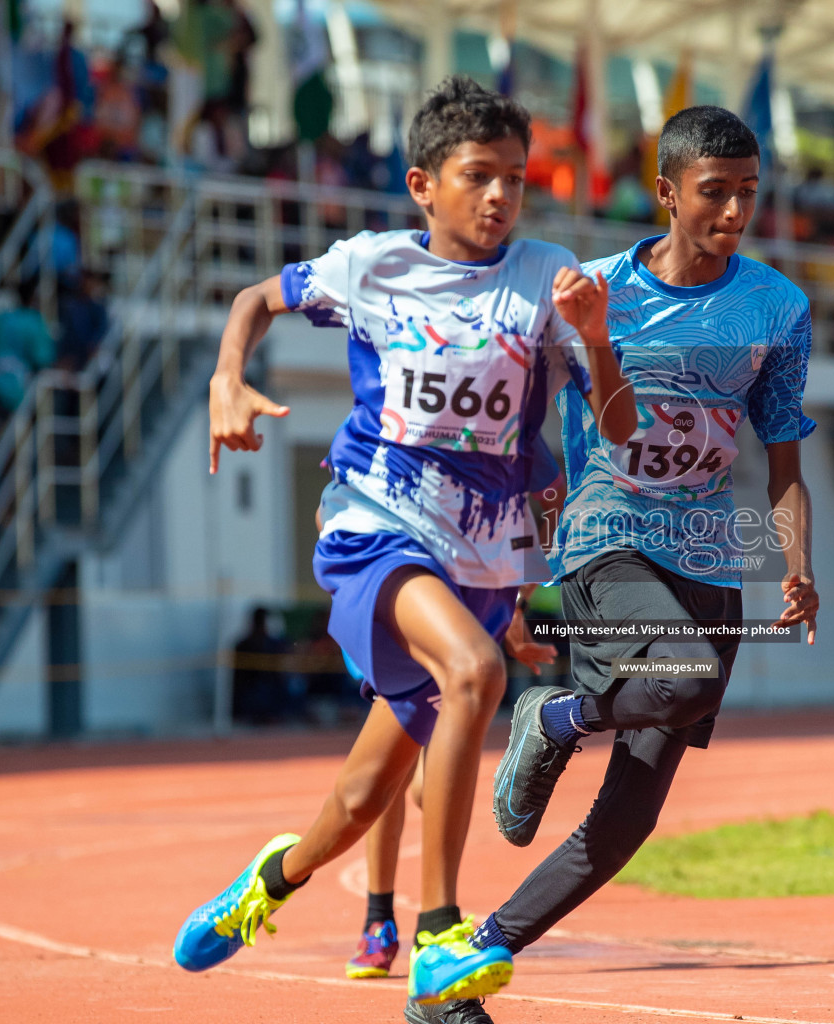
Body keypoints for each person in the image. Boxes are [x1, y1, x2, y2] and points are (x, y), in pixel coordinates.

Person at [170, 76, 634, 1012]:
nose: (502, 195)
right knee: (472, 675)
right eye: (479, 177)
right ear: (425, 185)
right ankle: (437, 938)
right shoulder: (371, 266)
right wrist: (228, 377)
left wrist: (595, 340)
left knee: (354, 804)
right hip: (375, 523)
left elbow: (618, 430)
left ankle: (271, 881)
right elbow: (256, 298)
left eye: (515, 178)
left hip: (486, 558)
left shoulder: (550, 278)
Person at [409, 105, 818, 1024]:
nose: (736, 212)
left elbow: (786, 460)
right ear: (668, 192)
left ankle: (462, 970)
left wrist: (797, 560)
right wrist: (514, 551)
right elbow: (516, 425)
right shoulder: (589, 288)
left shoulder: (778, 308)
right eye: (716, 193)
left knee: (628, 818)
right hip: (609, 532)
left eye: (750, 193)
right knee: (684, 680)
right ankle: (552, 715)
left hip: (714, 555)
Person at [345, 440, 561, 981]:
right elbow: (340, 496)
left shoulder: (514, 418)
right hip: (399, 589)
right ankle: (381, 921)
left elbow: (534, 512)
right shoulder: (394, 410)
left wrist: (514, 609)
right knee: (390, 777)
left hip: (468, 602)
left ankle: (432, 921)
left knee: (419, 784)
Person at [0, 277, 56, 445]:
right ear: (33, 298)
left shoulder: (0, 318)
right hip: (14, 392)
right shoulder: (35, 321)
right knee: (13, 441)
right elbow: (43, 358)